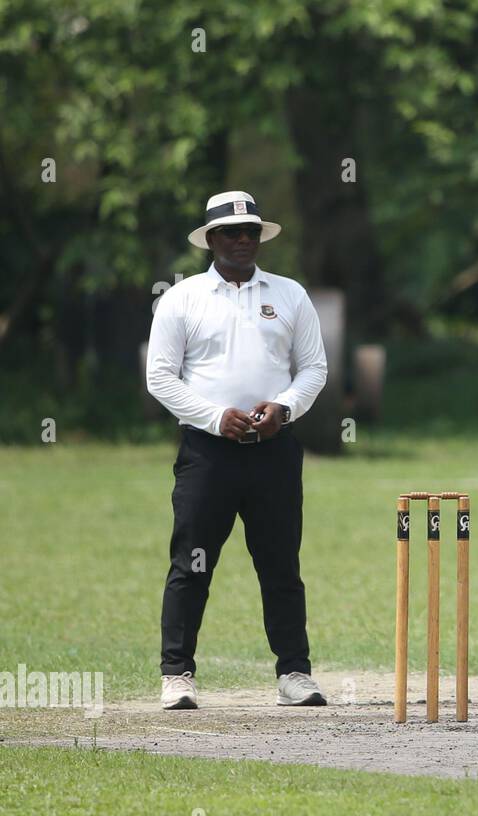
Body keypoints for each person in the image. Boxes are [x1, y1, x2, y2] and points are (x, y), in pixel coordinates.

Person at [146, 190, 329, 710]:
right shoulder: (183, 298)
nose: (243, 240)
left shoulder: (290, 294)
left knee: (279, 564)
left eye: (251, 231)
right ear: (211, 240)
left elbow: (313, 368)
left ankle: (294, 672)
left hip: (273, 450)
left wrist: (284, 409)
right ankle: (177, 674)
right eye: (232, 232)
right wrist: (213, 416)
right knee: (192, 563)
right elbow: (160, 376)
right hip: (208, 453)